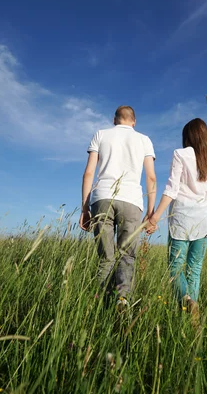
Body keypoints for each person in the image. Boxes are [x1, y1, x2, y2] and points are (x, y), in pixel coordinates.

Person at [80, 105, 157, 312]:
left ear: (115, 120)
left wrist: (84, 208)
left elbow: (89, 173)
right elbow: (151, 177)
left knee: (106, 258)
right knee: (127, 256)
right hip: (132, 201)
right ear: (134, 121)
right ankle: (122, 301)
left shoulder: (100, 135)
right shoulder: (144, 139)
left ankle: (99, 308)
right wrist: (151, 213)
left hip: (102, 197)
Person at [147, 118, 207, 322]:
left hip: (182, 220)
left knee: (175, 267)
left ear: (187, 136)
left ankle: (187, 301)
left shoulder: (180, 154)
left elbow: (172, 189)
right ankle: (190, 315)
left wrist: (155, 217)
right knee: (194, 271)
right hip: (206, 222)